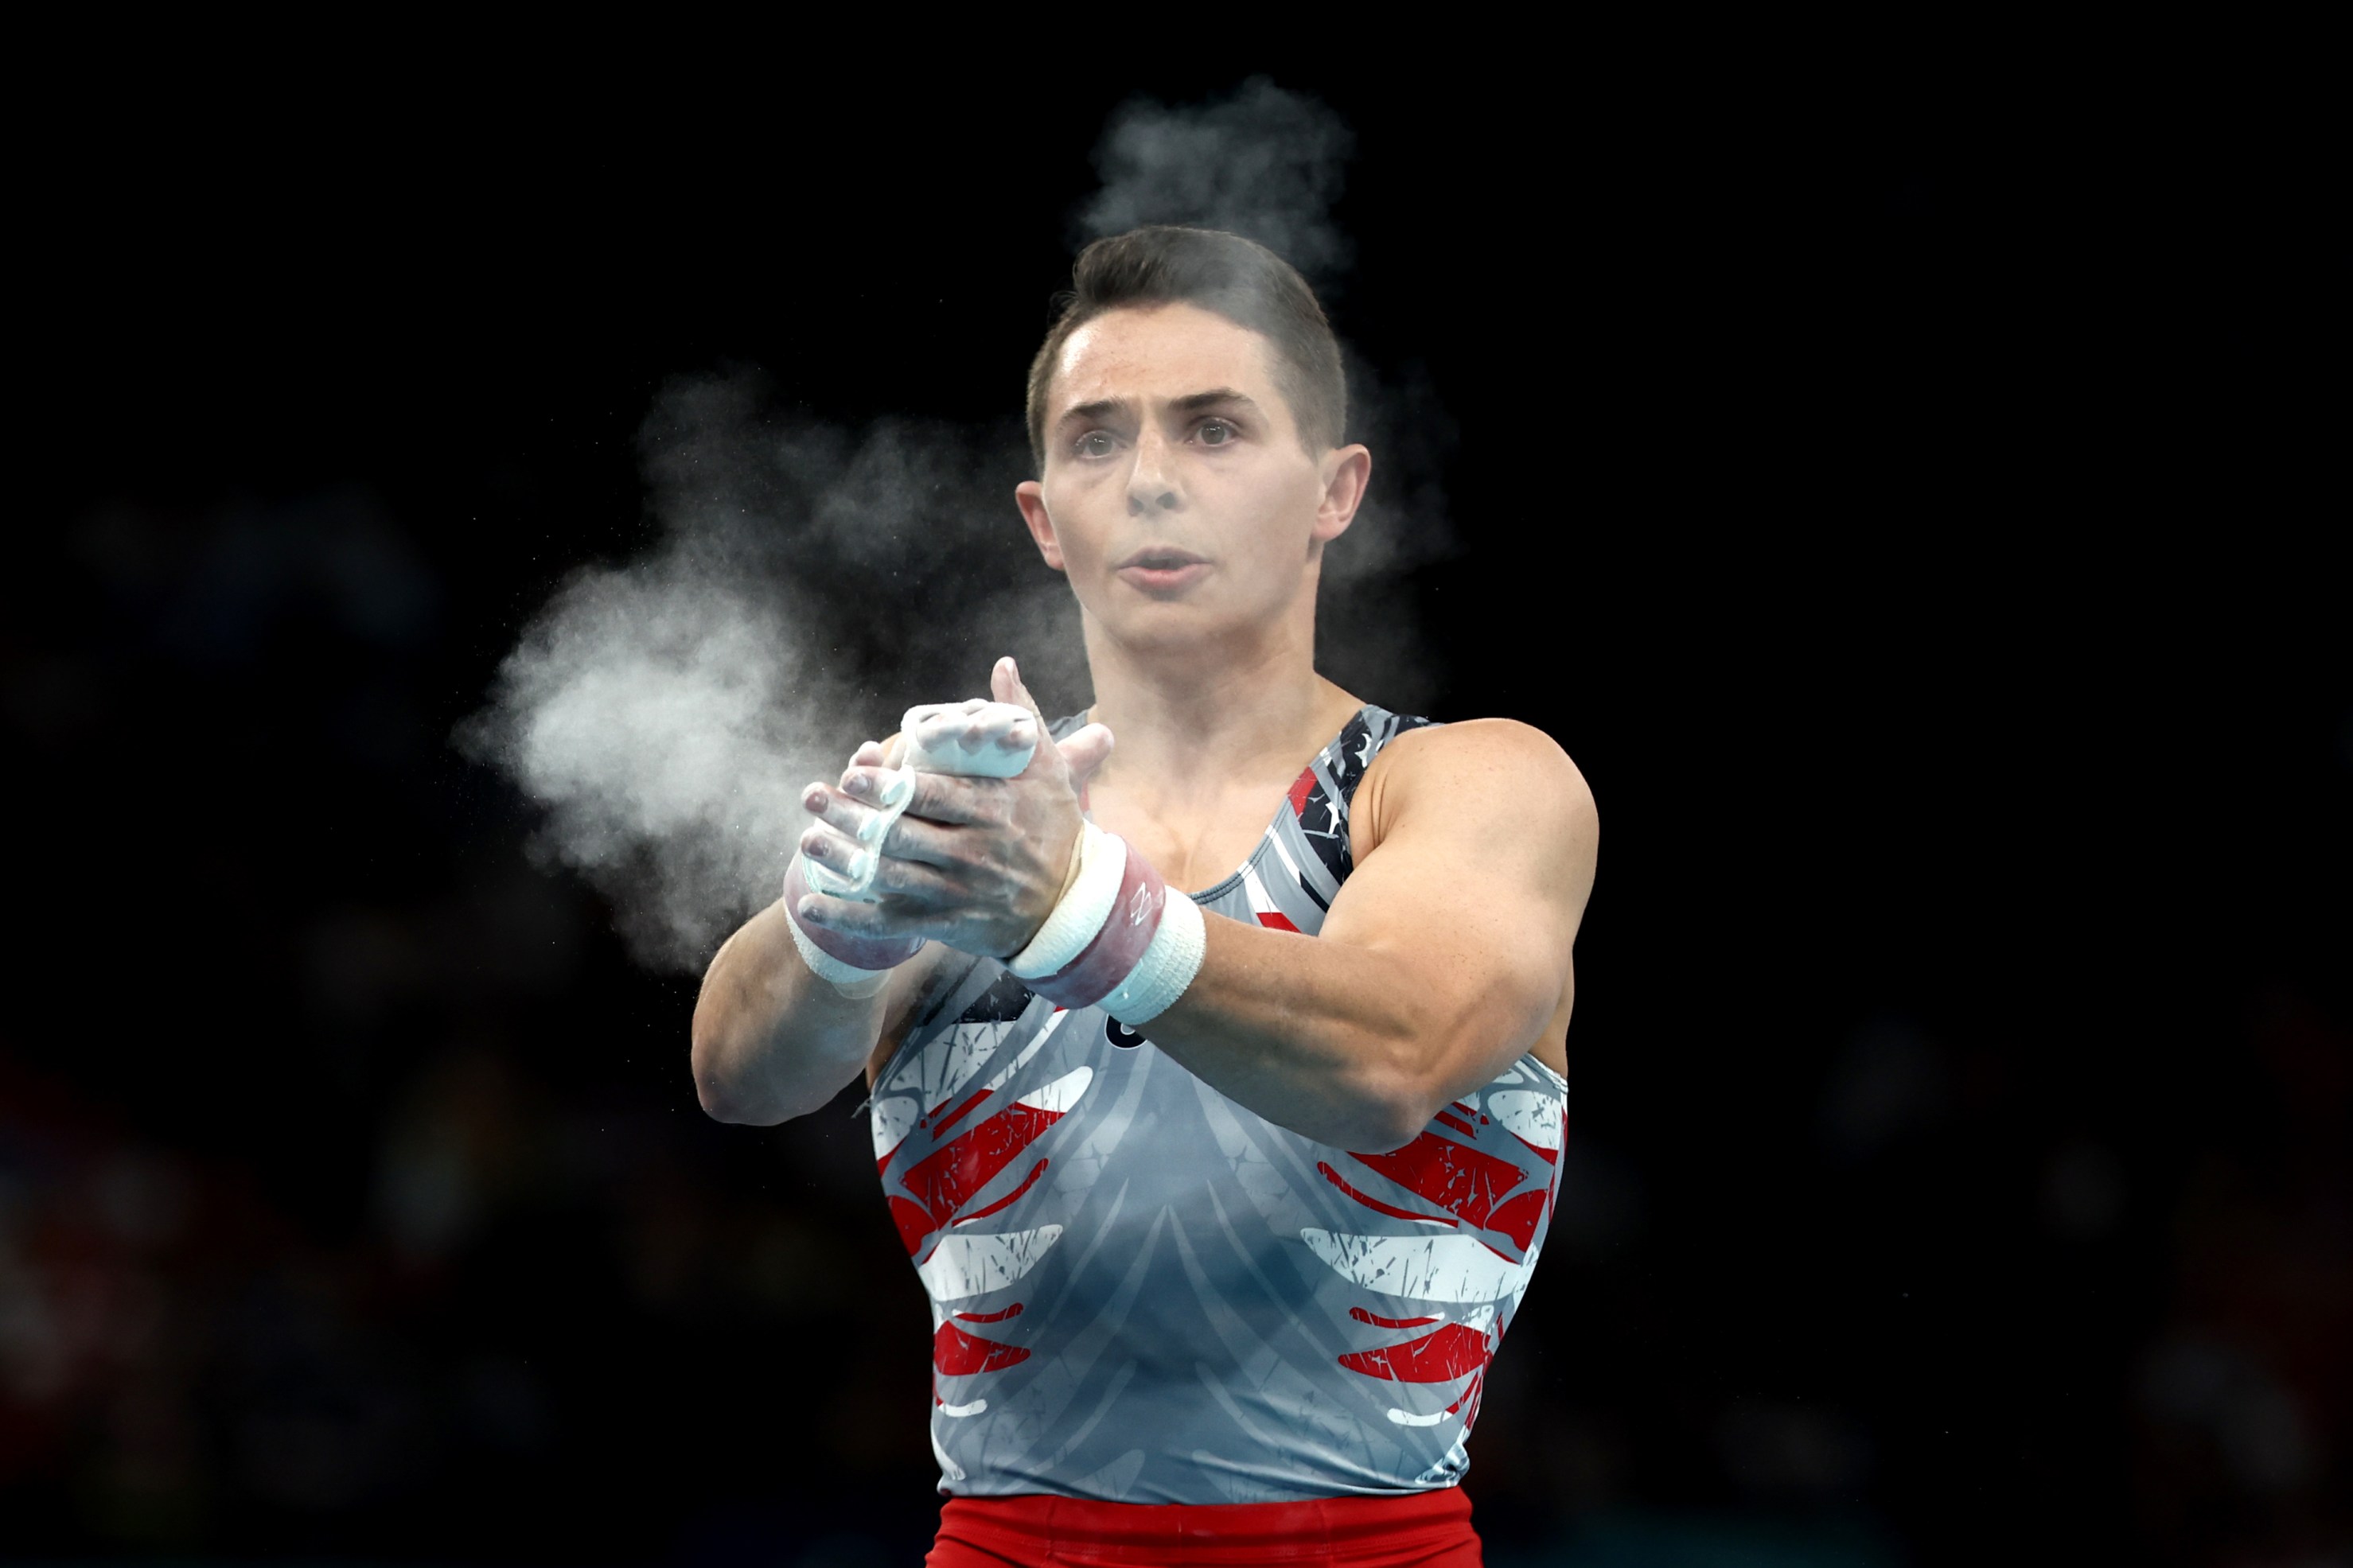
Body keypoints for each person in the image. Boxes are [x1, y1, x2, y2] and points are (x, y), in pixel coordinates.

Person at [691, 226, 1598, 1566]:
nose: (1154, 481)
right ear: (1044, 518)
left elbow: (1387, 1056)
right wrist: (840, 922)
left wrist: (1072, 913)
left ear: (1334, 491)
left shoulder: (1464, 784)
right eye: (1099, 438)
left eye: (1215, 430)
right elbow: (737, 1073)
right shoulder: (982, 818)